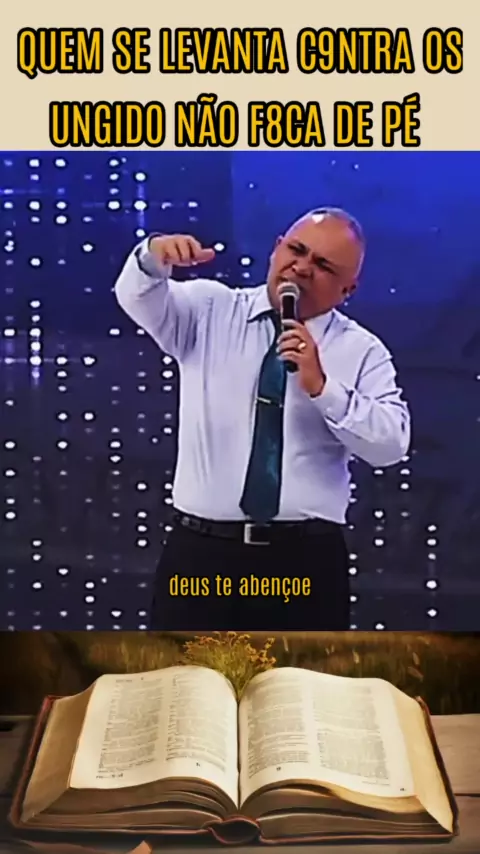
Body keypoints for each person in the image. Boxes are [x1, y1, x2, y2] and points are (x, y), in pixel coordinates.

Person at [114, 207, 410, 630]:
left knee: (300, 670)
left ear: (348, 289)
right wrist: (151, 257)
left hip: (303, 562)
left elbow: (391, 445)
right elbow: (135, 296)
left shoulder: (363, 351)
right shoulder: (210, 309)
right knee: (182, 664)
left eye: (323, 265)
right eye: (296, 250)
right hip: (201, 555)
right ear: (275, 250)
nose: (302, 268)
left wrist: (323, 388)